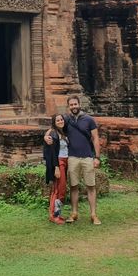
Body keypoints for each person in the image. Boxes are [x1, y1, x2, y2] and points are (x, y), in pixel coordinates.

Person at [44, 95, 101, 225]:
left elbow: (96, 138)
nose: (74, 106)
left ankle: (93, 215)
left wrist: (97, 157)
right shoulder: (67, 119)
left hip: (87, 157)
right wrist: (45, 136)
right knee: (73, 186)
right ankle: (74, 213)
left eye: (75, 104)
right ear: (68, 106)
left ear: (79, 104)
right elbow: (54, 127)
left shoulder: (89, 120)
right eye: (71, 105)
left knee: (90, 186)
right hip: (72, 158)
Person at [43, 113, 69, 224]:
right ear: (54, 122)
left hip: (66, 160)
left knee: (61, 188)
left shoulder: (63, 132)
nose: (60, 121)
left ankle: (58, 214)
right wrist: (56, 167)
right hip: (59, 162)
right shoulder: (53, 133)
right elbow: (53, 152)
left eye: (61, 119)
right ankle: (53, 215)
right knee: (58, 189)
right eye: (57, 120)